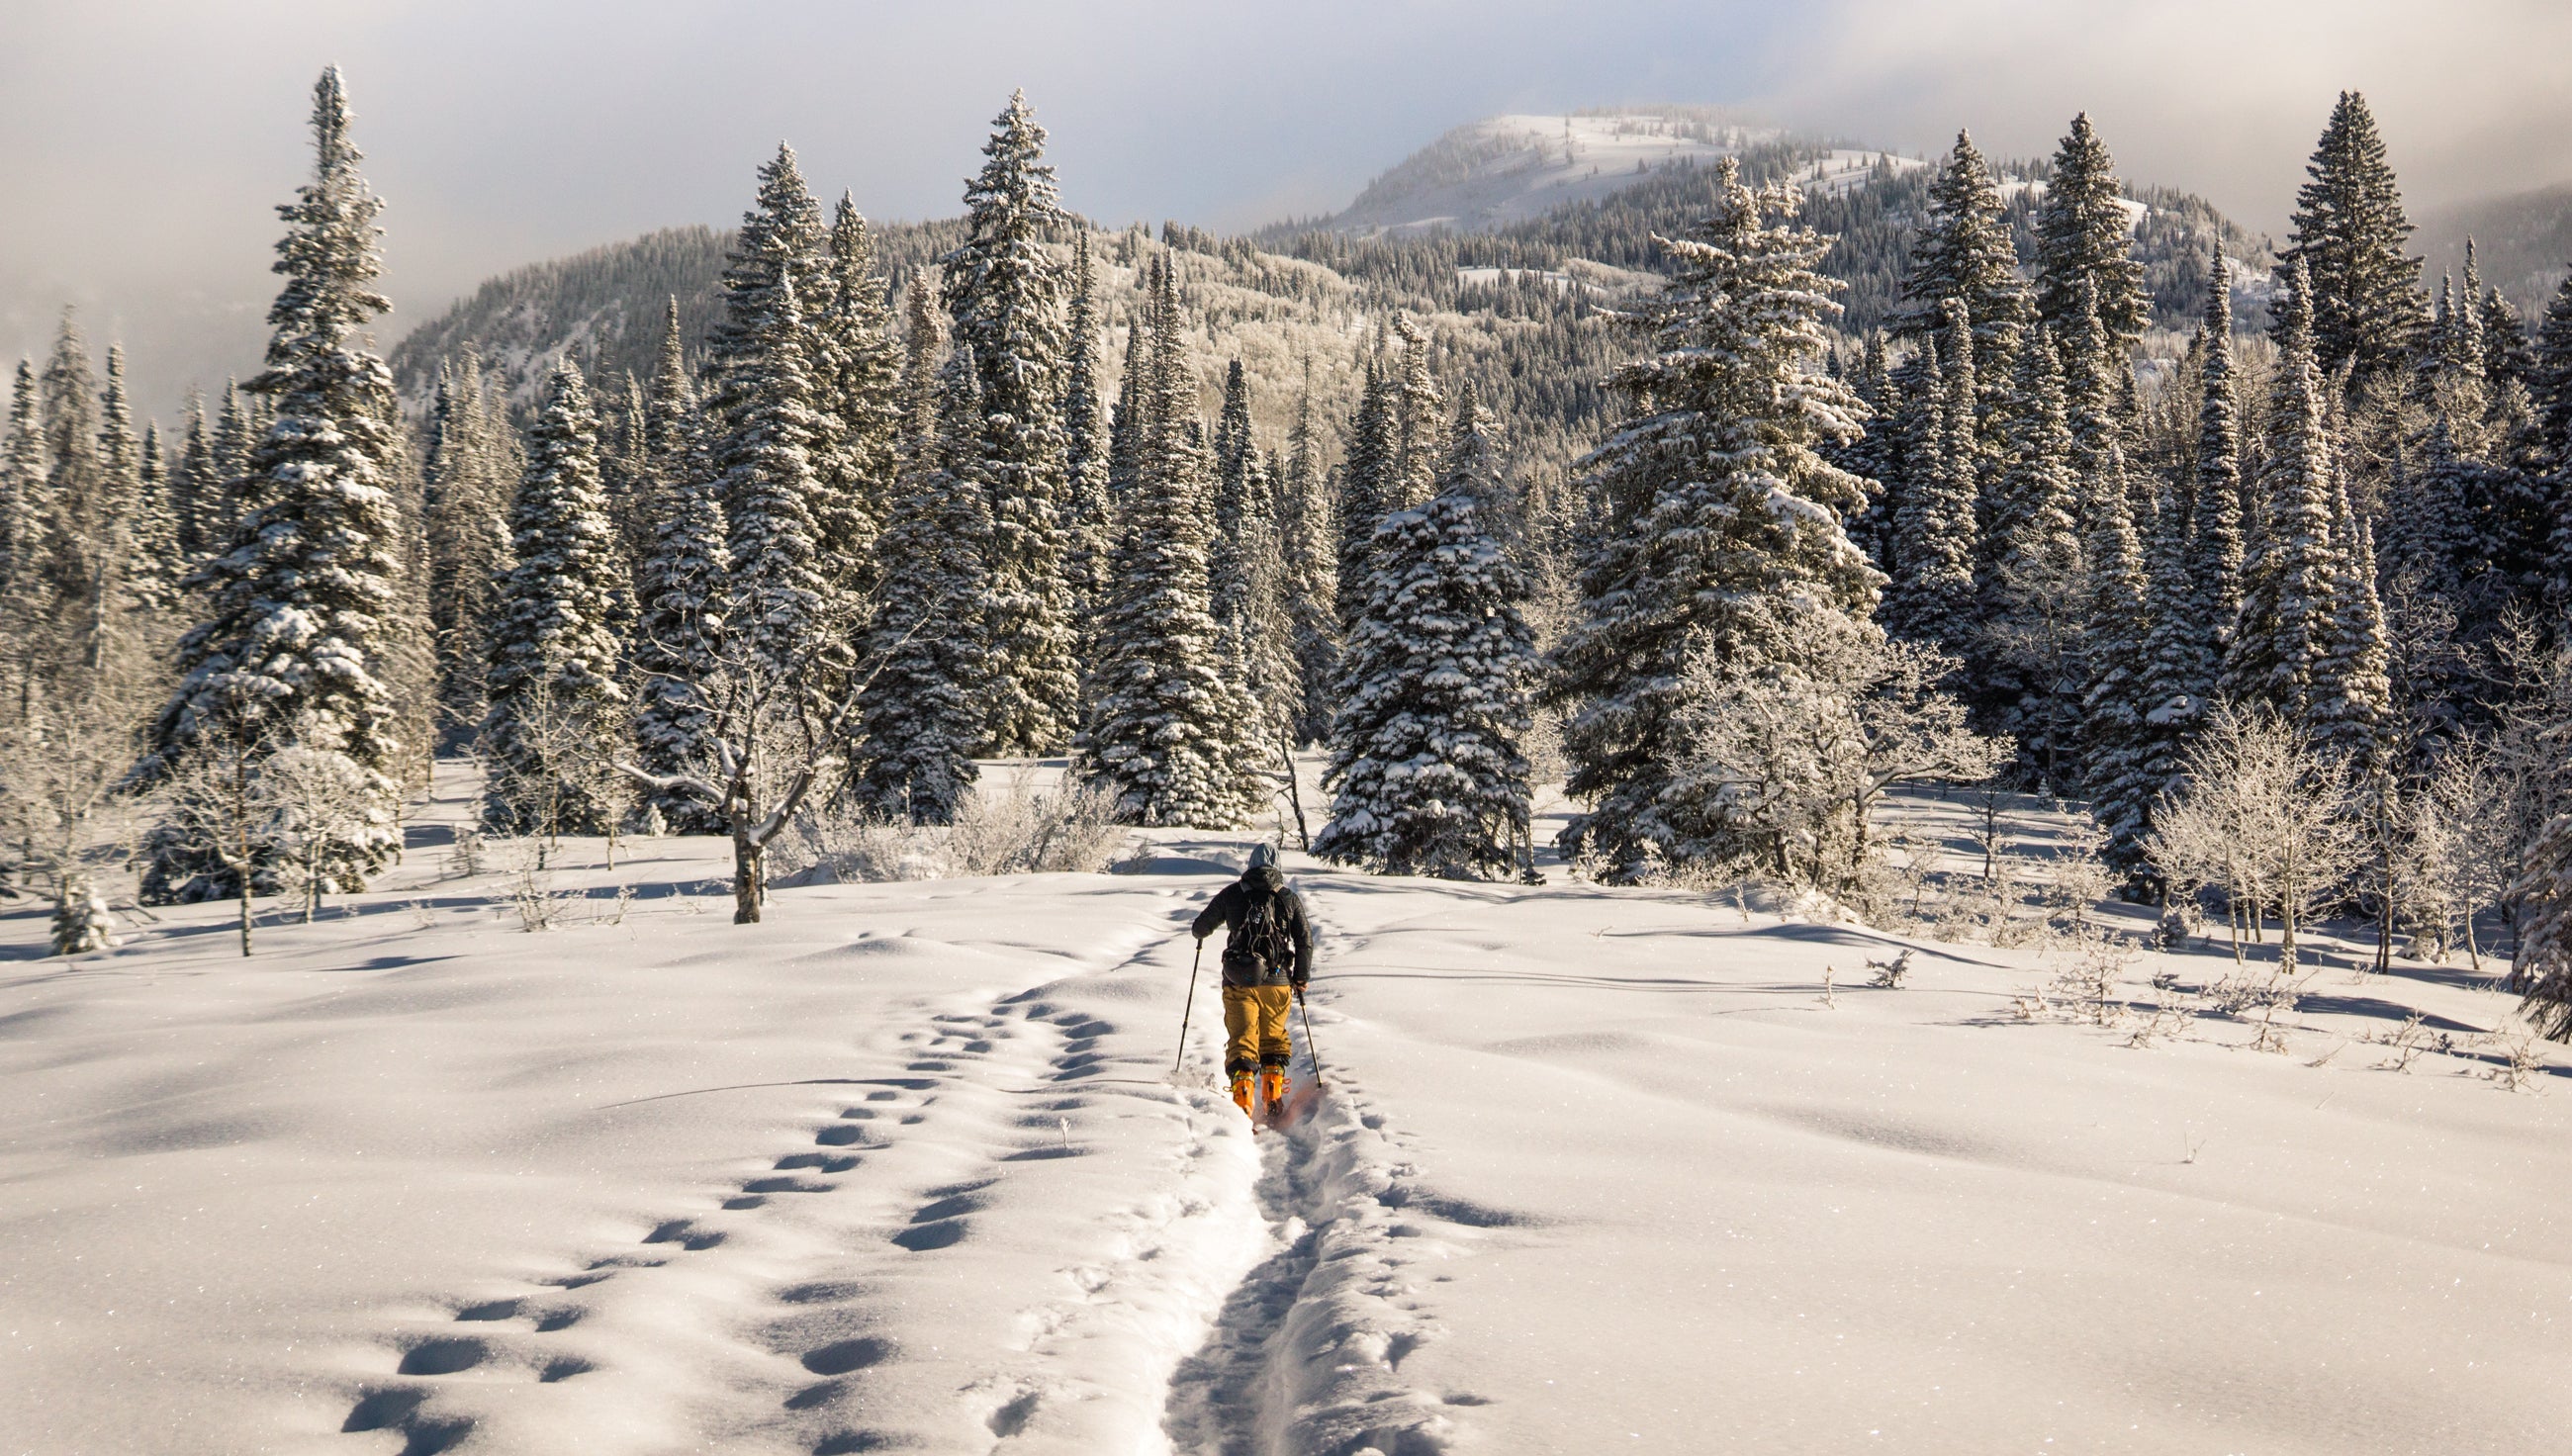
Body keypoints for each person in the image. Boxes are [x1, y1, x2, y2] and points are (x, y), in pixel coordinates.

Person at [1190, 843, 1314, 1118]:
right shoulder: (1288, 898)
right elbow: (1305, 940)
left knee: (1242, 1041)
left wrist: (1203, 934)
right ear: (1278, 867)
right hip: (1278, 982)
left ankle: (1243, 1105)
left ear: (1250, 865)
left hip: (1238, 980)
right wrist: (1301, 977)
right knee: (1273, 1041)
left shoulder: (1233, 894)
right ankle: (1272, 1096)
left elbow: (1200, 927)